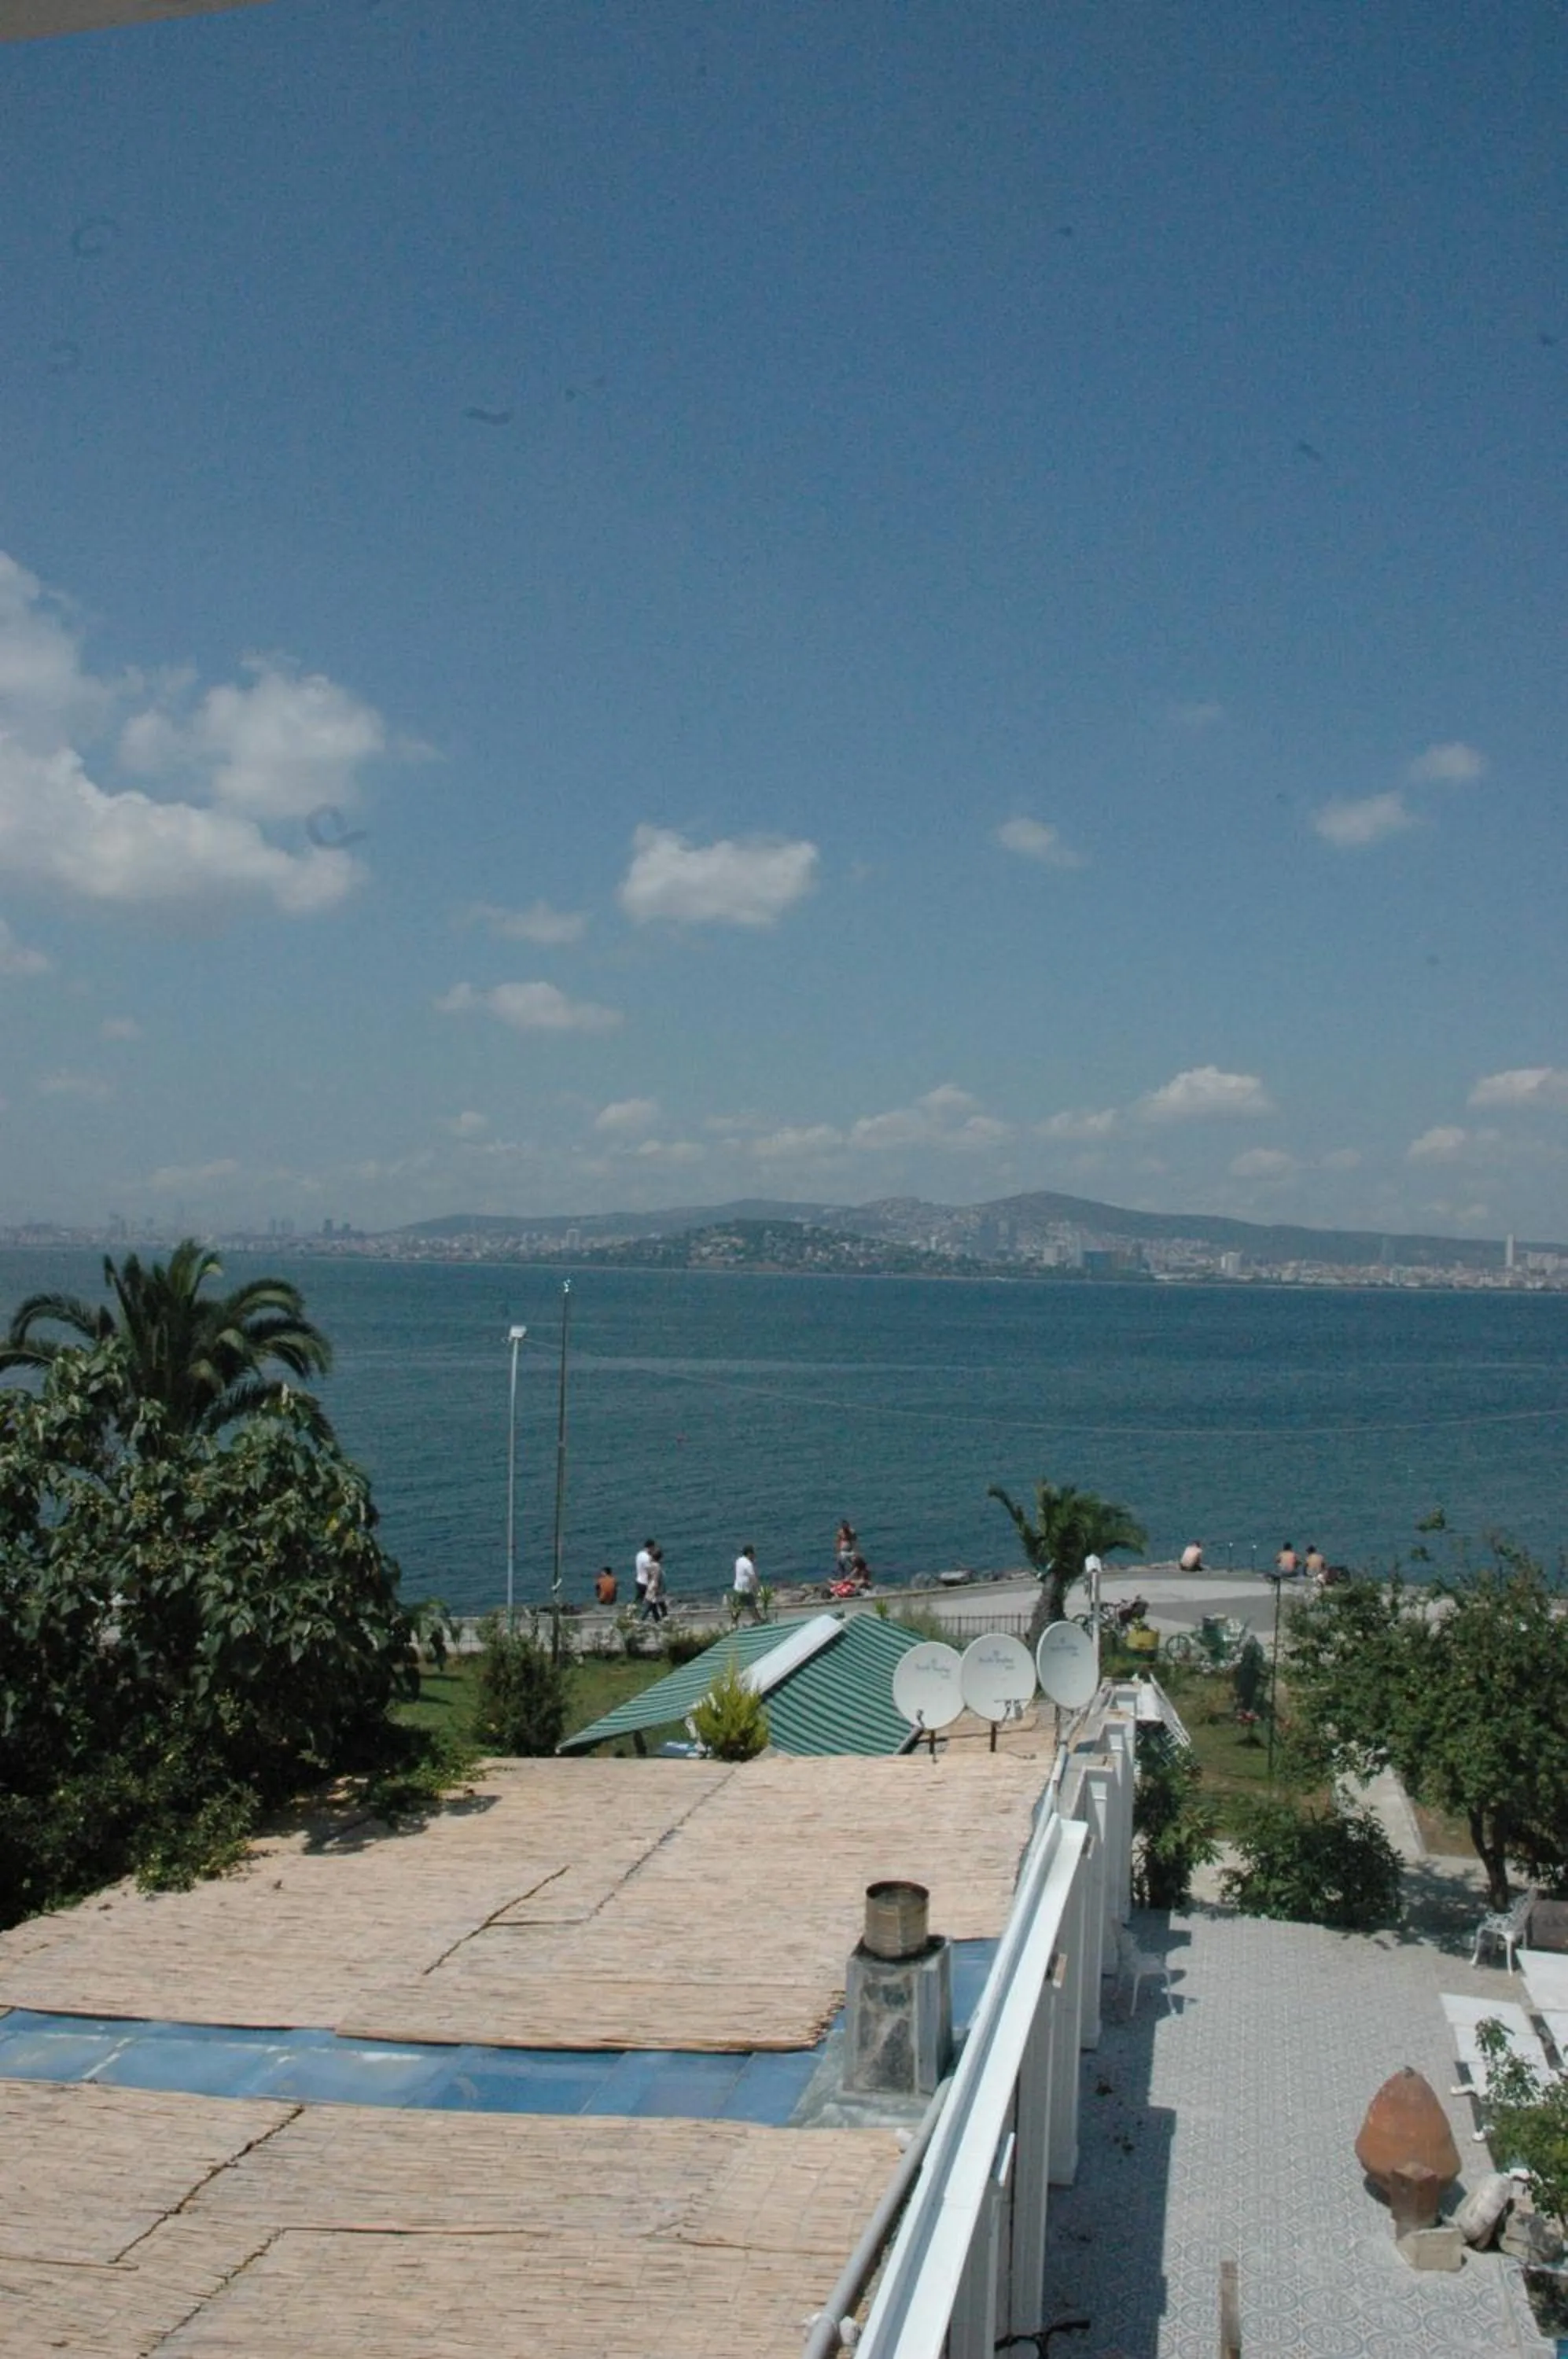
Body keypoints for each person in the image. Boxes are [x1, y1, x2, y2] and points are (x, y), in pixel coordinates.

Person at [734, 1544, 761, 1621]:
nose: (754, 1555)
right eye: (753, 1553)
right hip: (746, 1590)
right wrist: (758, 1590)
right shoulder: (748, 1564)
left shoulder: (739, 1561)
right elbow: (753, 1578)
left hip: (738, 1588)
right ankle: (758, 1622)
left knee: (738, 1608)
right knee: (752, 1608)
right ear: (749, 1554)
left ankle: (734, 1623)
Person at [642, 1545, 668, 1622]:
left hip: (651, 1585)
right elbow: (657, 1577)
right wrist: (657, 1586)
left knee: (654, 1604)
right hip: (656, 1587)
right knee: (653, 1604)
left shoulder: (650, 1566)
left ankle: (659, 1618)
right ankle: (642, 1619)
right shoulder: (657, 1566)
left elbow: (648, 1576)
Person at [634, 1538, 656, 1613]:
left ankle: (631, 1615)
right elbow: (650, 1572)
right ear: (651, 1547)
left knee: (638, 1601)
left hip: (639, 1581)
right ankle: (642, 1617)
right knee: (651, 1603)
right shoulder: (648, 1558)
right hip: (646, 1583)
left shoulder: (639, 1554)